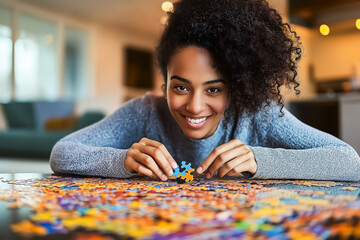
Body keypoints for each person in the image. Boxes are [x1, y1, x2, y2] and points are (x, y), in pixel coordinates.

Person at [50, 0, 360, 181]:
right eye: (181, 86)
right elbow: (62, 153)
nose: (195, 106)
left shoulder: (257, 115)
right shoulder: (145, 111)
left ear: (237, 87)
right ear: (165, 79)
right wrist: (122, 161)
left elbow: (349, 161)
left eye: (213, 90)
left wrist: (258, 160)